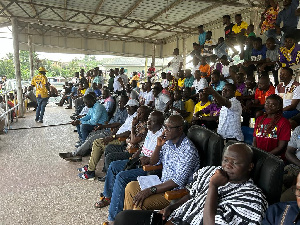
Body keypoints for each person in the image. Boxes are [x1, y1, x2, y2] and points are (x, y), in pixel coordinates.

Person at [115, 143, 268, 225]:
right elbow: (191, 193)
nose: (227, 165)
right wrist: (171, 207)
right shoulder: (214, 172)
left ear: (250, 167)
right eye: (226, 160)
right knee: (123, 218)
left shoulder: (252, 197)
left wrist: (213, 186)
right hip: (177, 217)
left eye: (235, 163)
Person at [97, 111, 165, 225]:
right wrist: (136, 155)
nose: (148, 122)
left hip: (150, 168)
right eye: (148, 119)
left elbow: (155, 160)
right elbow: (144, 146)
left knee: (121, 177)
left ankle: (113, 219)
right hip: (139, 160)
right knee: (114, 166)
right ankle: (108, 196)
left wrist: (146, 160)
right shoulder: (151, 131)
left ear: (160, 123)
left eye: (151, 121)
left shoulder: (162, 135)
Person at [123, 115, 200, 211]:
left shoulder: (188, 150)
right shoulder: (168, 142)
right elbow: (153, 162)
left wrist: (150, 191)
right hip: (161, 184)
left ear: (180, 129)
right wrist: (158, 146)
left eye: (169, 128)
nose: (165, 130)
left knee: (139, 203)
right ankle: (127, 218)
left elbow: (177, 182)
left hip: (174, 193)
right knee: (130, 187)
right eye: (165, 127)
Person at [77, 99, 139, 180]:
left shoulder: (136, 117)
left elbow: (129, 132)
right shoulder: (130, 116)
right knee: (95, 139)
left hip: (122, 139)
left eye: (130, 107)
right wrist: (113, 133)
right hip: (116, 135)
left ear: (136, 107)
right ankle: (90, 167)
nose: (128, 109)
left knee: (98, 142)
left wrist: (113, 137)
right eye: (127, 107)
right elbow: (122, 126)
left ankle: (90, 171)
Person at [59, 95, 129, 162]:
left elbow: (119, 124)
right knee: (90, 135)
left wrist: (81, 122)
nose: (119, 103)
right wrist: (79, 121)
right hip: (106, 127)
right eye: (119, 101)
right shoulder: (119, 110)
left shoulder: (125, 113)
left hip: (108, 129)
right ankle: (81, 151)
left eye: (122, 102)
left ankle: (75, 154)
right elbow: (88, 116)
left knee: (88, 133)